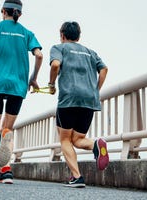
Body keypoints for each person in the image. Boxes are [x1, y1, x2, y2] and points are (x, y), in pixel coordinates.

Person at [0, 0, 43, 184]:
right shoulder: (27, 33)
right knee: (8, 130)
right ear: (19, 14)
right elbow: (39, 55)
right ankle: (5, 171)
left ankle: (4, 160)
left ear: (2, 11)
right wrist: (33, 78)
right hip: (18, 85)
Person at [48, 21, 109, 188]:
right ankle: (96, 144)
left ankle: (77, 177)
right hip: (89, 100)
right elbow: (104, 69)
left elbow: (55, 64)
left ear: (62, 35)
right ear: (79, 36)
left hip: (69, 99)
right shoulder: (90, 52)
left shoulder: (59, 48)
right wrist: (95, 90)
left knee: (65, 139)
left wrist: (51, 84)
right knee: (78, 139)